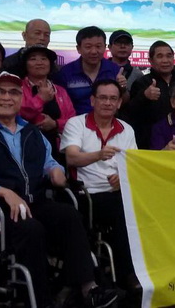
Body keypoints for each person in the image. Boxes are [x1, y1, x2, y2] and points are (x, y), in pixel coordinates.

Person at [0, 72, 119, 308]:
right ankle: (41, 300)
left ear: (21, 99)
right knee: (32, 229)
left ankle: (88, 288)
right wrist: (3, 191)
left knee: (69, 215)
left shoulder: (32, 132)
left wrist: (55, 170)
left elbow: (48, 161)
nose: (7, 97)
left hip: (34, 202)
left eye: (13, 92)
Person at [61, 79, 139, 292]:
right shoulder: (76, 124)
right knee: (125, 209)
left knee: (145, 205)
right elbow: (72, 158)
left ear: (119, 103)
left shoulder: (126, 129)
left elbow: (132, 165)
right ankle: (127, 274)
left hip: (117, 191)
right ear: (92, 100)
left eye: (113, 98)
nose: (108, 103)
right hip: (86, 193)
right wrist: (98, 155)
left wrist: (122, 177)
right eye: (103, 98)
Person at [19, 45, 75, 160]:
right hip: (24, 146)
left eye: (44, 58)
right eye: (33, 59)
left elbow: (73, 120)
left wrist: (55, 124)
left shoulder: (60, 90)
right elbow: (18, 115)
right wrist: (40, 99)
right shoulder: (17, 88)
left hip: (57, 148)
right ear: (25, 64)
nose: (39, 62)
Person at [54, 26, 121, 115]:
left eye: (98, 46)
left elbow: (121, 101)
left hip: (107, 120)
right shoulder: (65, 73)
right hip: (75, 121)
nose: (94, 51)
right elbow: (60, 104)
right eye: (88, 47)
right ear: (78, 49)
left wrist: (122, 88)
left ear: (105, 47)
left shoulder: (114, 70)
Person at [128, 41, 174, 149]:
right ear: (150, 60)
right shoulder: (141, 83)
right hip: (150, 144)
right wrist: (144, 96)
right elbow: (130, 112)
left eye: (169, 56)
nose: (165, 60)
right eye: (160, 56)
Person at [108, 29, 143, 97]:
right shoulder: (100, 69)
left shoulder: (138, 75)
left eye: (127, 43)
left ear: (132, 47)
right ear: (110, 47)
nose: (123, 46)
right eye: (118, 43)